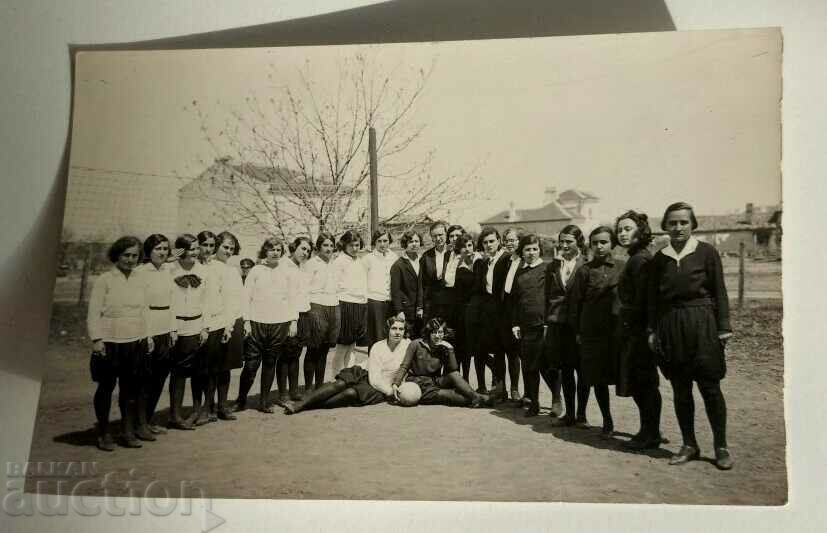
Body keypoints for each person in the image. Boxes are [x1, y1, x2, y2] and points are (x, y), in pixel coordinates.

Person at [647, 202, 733, 470]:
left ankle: (721, 447)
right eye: (672, 223)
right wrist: (652, 330)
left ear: (693, 224)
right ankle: (689, 444)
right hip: (671, 325)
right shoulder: (660, 258)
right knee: (680, 388)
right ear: (665, 226)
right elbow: (653, 300)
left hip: (702, 323)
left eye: (683, 222)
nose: (678, 227)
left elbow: (719, 291)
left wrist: (723, 327)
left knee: (710, 386)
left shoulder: (706, 252)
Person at [87, 236, 154, 450]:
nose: (130, 259)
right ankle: (104, 432)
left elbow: (145, 310)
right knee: (106, 386)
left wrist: (148, 336)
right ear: (117, 255)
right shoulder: (105, 279)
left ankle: (127, 431)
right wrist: (97, 339)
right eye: (126, 255)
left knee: (130, 387)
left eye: (135, 256)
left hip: (134, 339)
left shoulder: (140, 279)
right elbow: (93, 312)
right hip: (109, 340)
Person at [283, 317, 411, 414]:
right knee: (340, 384)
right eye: (394, 328)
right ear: (387, 330)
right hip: (367, 373)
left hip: (384, 386)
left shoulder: (408, 346)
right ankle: (300, 404)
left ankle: (308, 406)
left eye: (401, 329)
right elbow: (374, 379)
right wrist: (390, 392)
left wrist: (393, 390)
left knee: (350, 393)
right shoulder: (378, 347)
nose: (397, 332)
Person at [568, 226, 624, 438]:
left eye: (604, 242)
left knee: (628, 376)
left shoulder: (622, 267)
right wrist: (578, 332)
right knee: (598, 379)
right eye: (595, 243)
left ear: (612, 244)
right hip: (593, 333)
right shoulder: (585, 271)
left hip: (617, 332)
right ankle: (607, 421)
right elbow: (576, 305)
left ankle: (648, 427)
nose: (599, 247)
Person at [615, 211, 664, 450]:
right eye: (620, 230)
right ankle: (650, 430)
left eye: (628, 229)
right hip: (633, 329)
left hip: (639, 330)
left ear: (640, 231)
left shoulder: (640, 260)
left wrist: (644, 329)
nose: (622, 234)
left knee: (644, 383)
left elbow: (645, 301)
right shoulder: (636, 257)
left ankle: (650, 433)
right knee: (639, 383)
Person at [233, 237, 299, 413]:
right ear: (265, 251)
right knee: (251, 365)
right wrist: (247, 321)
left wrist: (293, 321)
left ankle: (263, 402)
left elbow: (293, 298)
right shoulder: (256, 271)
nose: (275, 253)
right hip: (257, 323)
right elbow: (245, 297)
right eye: (271, 249)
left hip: (279, 323)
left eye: (278, 250)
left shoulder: (287, 272)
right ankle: (240, 400)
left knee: (270, 362)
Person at [510, 234, 560, 417]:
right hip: (526, 327)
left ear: (540, 250)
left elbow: (553, 297)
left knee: (547, 366)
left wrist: (548, 322)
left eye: (534, 249)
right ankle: (534, 403)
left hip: (543, 326)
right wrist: (515, 324)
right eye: (527, 249)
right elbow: (516, 301)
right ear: (522, 252)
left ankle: (556, 400)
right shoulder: (520, 273)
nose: (531, 253)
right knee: (530, 367)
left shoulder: (547, 269)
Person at [392, 318, 490, 407]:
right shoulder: (416, 344)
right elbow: (404, 366)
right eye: (434, 332)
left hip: (436, 381)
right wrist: (396, 383)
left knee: (454, 374)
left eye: (440, 332)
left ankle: (477, 398)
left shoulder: (443, 347)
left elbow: (453, 369)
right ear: (428, 333)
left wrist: (450, 349)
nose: (437, 336)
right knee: (459, 398)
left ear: (444, 333)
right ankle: (482, 399)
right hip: (420, 385)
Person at [134, 234, 178, 436]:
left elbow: (174, 301)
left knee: (160, 377)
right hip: (148, 329)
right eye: (158, 248)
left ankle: (148, 419)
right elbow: (140, 305)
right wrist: (147, 334)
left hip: (165, 328)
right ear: (148, 251)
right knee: (145, 378)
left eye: (165, 249)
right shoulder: (141, 272)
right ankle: (138, 423)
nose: (162, 252)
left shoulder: (169, 270)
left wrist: (173, 329)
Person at [548, 225, 590, 428]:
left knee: (582, 371)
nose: (564, 245)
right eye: (562, 241)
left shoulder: (586, 265)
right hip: (558, 325)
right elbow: (549, 295)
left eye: (569, 242)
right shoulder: (553, 266)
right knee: (565, 370)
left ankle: (582, 415)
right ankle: (570, 414)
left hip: (579, 326)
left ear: (578, 243)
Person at [167, 234, 209, 430]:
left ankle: (196, 411)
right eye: (191, 249)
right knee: (178, 372)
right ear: (181, 250)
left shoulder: (203, 271)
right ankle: (175, 415)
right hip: (177, 327)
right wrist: (172, 328)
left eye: (196, 248)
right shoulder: (170, 270)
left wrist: (205, 327)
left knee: (197, 370)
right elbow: (168, 302)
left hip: (197, 326)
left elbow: (206, 301)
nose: (195, 252)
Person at [194, 230, 230, 425]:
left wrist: (227, 326)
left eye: (211, 246)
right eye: (204, 245)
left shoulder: (220, 268)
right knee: (198, 369)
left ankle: (209, 408)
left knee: (212, 368)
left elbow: (225, 298)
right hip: (195, 324)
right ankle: (197, 408)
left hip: (216, 323)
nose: (208, 249)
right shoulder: (191, 265)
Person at [210, 231, 244, 421]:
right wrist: (223, 323)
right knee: (211, 366)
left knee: (226, 366)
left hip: (233, 320)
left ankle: (222, 405)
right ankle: (208, 407)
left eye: (231, 248)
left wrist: (234, 323)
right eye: (225, 247)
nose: (228, 251)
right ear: (217, 246)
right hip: (216, 322)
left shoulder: (233, 270)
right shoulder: (209, 267)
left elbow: (237, 298)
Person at [472, 226, 510, 399]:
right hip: (487, 312)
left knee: (501, 351)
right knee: (482, 348)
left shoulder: (506, 259)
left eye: (492, 241)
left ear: (499, 241)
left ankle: (504, 389)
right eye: (485, 242)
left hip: (502, 312)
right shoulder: (485, 262)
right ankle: (490, 387)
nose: (488, 245)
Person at [278, 236, 314, 404]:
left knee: (296, 353)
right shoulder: (283, 266)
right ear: (294, 247)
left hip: (303, 314)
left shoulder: (303, 267)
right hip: (289, 316)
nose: (305, 253)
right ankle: (282, 394)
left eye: (308, 250)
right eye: (302, 249)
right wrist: (292, 320)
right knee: (285, 355)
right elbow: (286, 296)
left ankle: (293, 390)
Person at [304, 232, 339, 390]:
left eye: (331, 245)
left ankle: (319, 386)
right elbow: (304, 288)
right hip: (316, 305)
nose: (328, 248)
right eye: (325, 245)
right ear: (318, 247)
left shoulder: (334, 264)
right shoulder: (311, 264)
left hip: (333, 305)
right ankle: (308, 387)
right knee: (314, 348)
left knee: (324, 349)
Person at [331, 230, 368, 373]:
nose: (354, 248)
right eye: (351, 245)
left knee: (352, 345)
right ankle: (336, 377)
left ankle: (348, 377)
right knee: (343, 345)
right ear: (344, 245)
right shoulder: (339, 261)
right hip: (346, 304)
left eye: (357, 245)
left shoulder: (359, 261)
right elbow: (336, 286)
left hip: (360, 304)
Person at [499, 228, 525, 402]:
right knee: (509, 352)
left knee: (521, 353)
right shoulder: (507, 260)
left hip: (520, 310)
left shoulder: (525, 261)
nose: (509, 243)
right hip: (506, 309)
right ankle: (511, 389)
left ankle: (526, 392)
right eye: (507, 240)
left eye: (513, 240)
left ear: (520, 242)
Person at [451, 233, 480, 381]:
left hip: (477, 310)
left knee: (474, 347)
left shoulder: (480, 262)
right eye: (463, 246)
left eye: (469, 245)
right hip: (461, 311)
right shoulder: (458, 265)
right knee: (461, 347)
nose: (467, 249)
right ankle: (461, 380)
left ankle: (472, 380)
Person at [363, 229, 397, 349]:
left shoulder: (394, 257)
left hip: (390, 302)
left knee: (391, 336)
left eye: (385, 241)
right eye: (379, 241)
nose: (382, 244)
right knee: (376, 338)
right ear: (375, 242)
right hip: (374, 302)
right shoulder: (368, 259)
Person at [390, 230, 424, 339]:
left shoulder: (422, 261)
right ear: (405, 244)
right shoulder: (398, 265)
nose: (414, 244)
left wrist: (421, 306)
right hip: (407, 310)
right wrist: (399, 311)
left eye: (416, 241)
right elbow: (395, 290)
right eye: (410, 242)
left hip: (420, 310)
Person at [420, 221, 453, 323]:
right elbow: (422, 282)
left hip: (451, 300)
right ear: (431, 237)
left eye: (440, 235)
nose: (438, 238)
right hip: (433, 303)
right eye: (435, 236)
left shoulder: (453, 253)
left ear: (446, 234)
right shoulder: (426, 256)